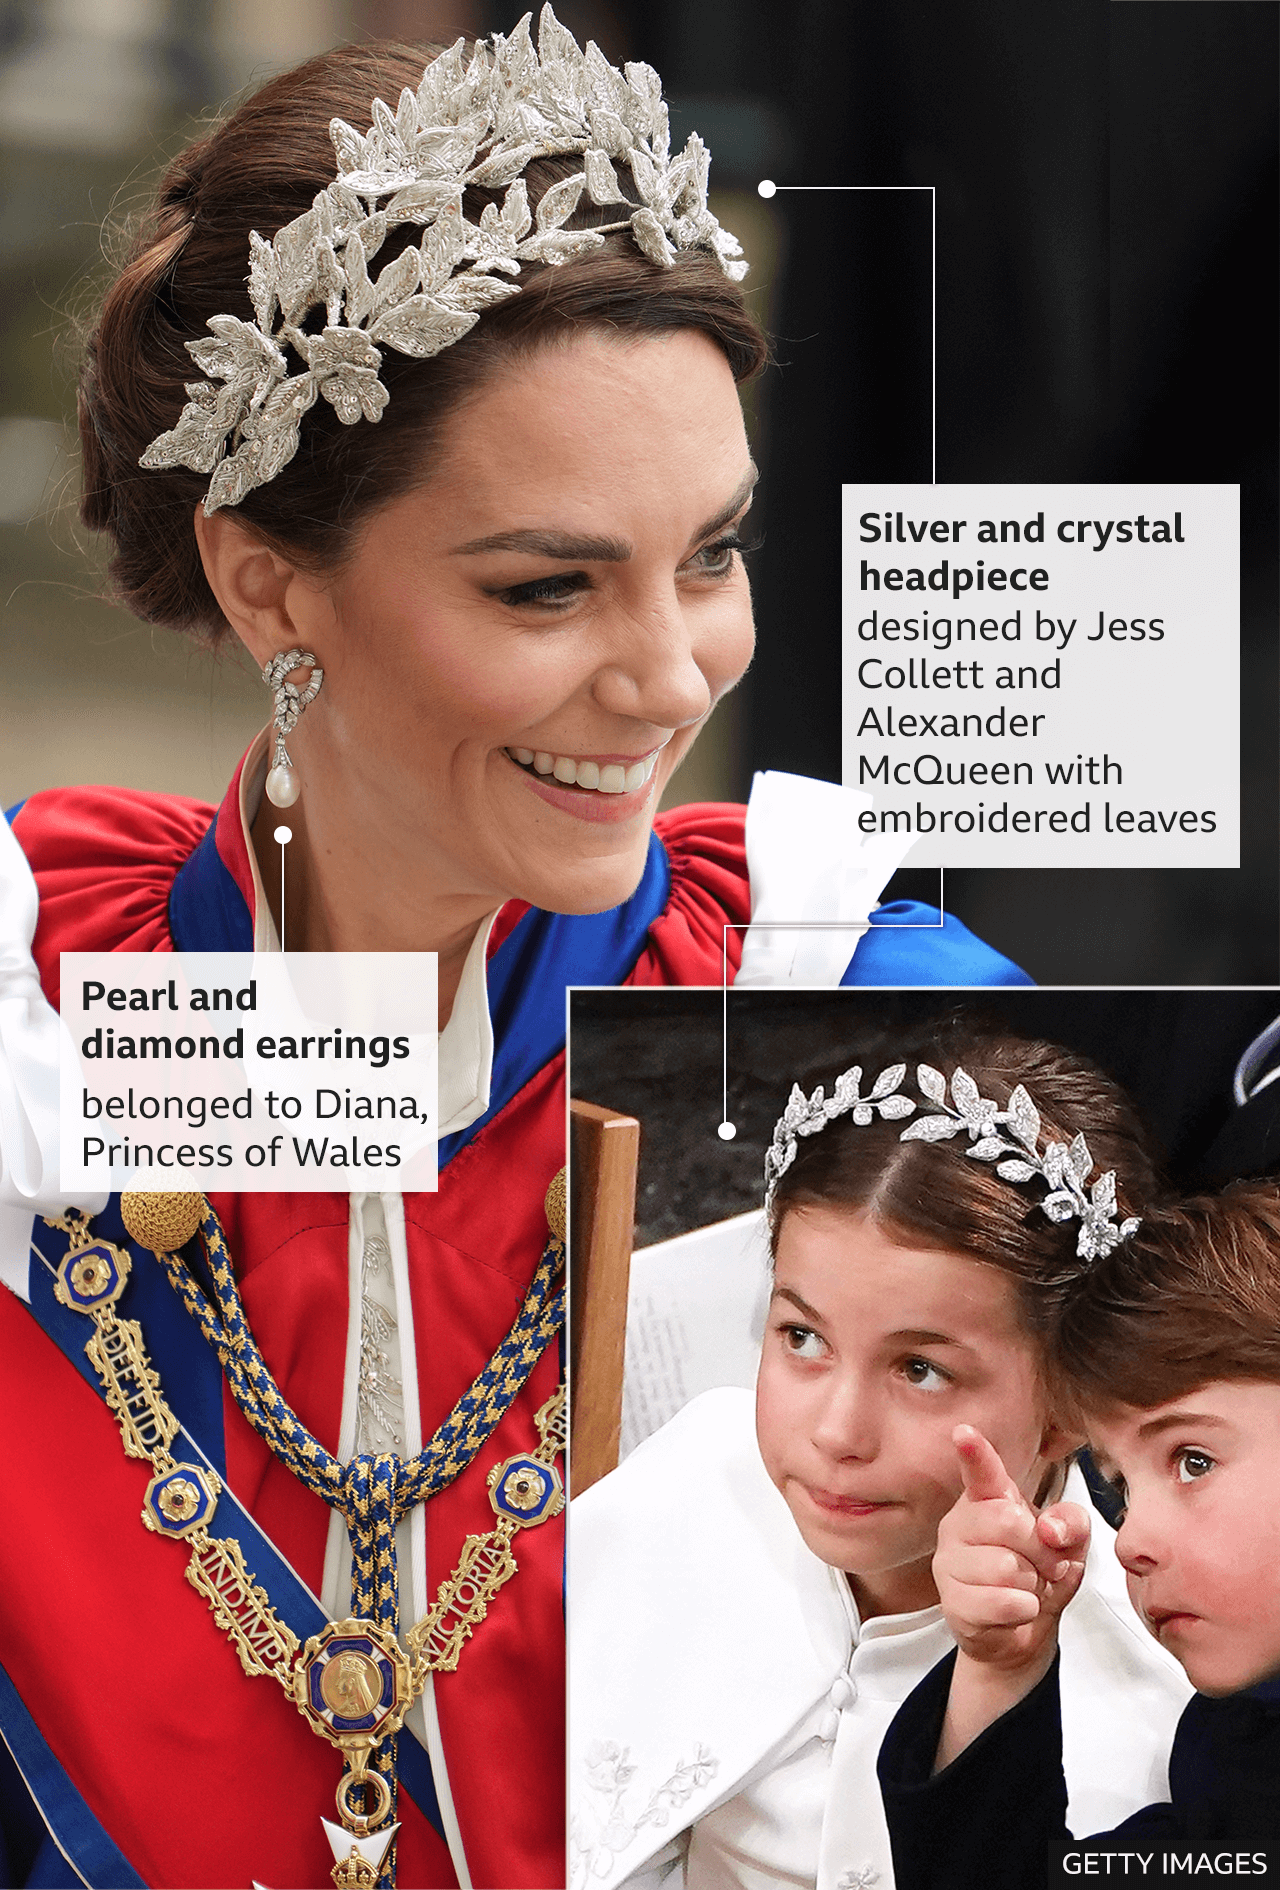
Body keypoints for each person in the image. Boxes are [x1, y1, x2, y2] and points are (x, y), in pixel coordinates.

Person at [0, 15, 1029, 1889]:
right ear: (267, 580)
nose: (667, 680)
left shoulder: (878, 1031)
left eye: (712, 555)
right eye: (547, 586)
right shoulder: (35, 1035)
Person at [568, 1025, 1190, 1890]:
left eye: (921, 1370)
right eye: (801, 1337)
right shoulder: (688, 1481)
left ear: (1068, 1406)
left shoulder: (1150, 1695)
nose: (837, 1432)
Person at [877, 1182, 1280, 1890]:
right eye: (1120, 1489)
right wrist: (1001, 1672)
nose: (1130, 1542)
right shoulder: (1238, 1767)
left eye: (1193, 1461)